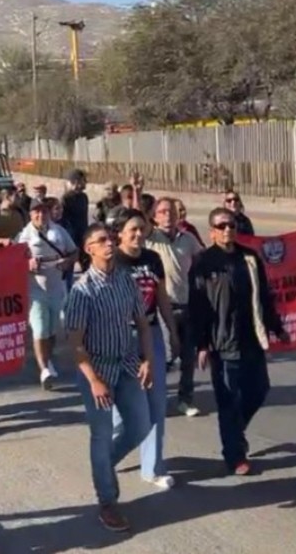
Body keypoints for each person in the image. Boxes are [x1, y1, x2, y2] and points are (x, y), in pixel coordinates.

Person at [65, 223, 153, 532]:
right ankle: (107, 500)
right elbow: (75, 342)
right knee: (100, 435)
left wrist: (148, 360)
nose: (109, 244)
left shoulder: (127, 281)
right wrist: (93, 380)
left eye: (110, 239)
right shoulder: (82, 290)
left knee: (141, 426)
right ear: (88, 249)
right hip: (97, 369)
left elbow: (142, 324)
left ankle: (103, 465)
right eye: (101, 241)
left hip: (127, 365)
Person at [188, 207, 288, 475]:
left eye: (230, 225)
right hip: (222, 341)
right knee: (228, 399)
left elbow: (264, 297)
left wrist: (276, 327)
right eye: (221, 226)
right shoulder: (203, 262)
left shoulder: (250, 257)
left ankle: (235, 430)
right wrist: (201, 344)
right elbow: (196, 306)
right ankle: (234, 454)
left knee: (259, 389)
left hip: (250, 337)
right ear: (211, 232)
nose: (227, 230)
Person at [112, 208, 179, 489]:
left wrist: (172, 333)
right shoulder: (112, 261)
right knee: (123, 407)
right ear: (120, 234)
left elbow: (161, 297)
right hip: (118, 337)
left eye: (142, 229)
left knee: (155, 404)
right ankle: (110, 453)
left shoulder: (153, 259)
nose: (139, 234)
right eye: (132, 230)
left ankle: (152, 467)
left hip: (149, 334)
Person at [146, 197, 202, 416]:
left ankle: (185, 399)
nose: (167, 216)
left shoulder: (188, 239)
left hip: (186, 305)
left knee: (188, 357)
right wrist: (136, 192)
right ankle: (156, 399)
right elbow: (136, 220)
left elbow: (202, 262)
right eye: (162, 212)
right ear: (155, 216)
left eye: (171, 212)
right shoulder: (152, 238)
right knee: (164, 358)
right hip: (160, 308)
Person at [17, 199, 77, 390]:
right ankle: (44, 370)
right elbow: (13, 262)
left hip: (56, 287)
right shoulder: (24, 236)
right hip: (34, 290)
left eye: (43, 212)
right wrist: (26, 264)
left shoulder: (59, 231)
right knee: (40, 329)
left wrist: (67, 262)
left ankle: (47, 360)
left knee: (51, 332)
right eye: (36, 212)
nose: (40, 215)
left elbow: (74, 252)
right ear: (30, 215)